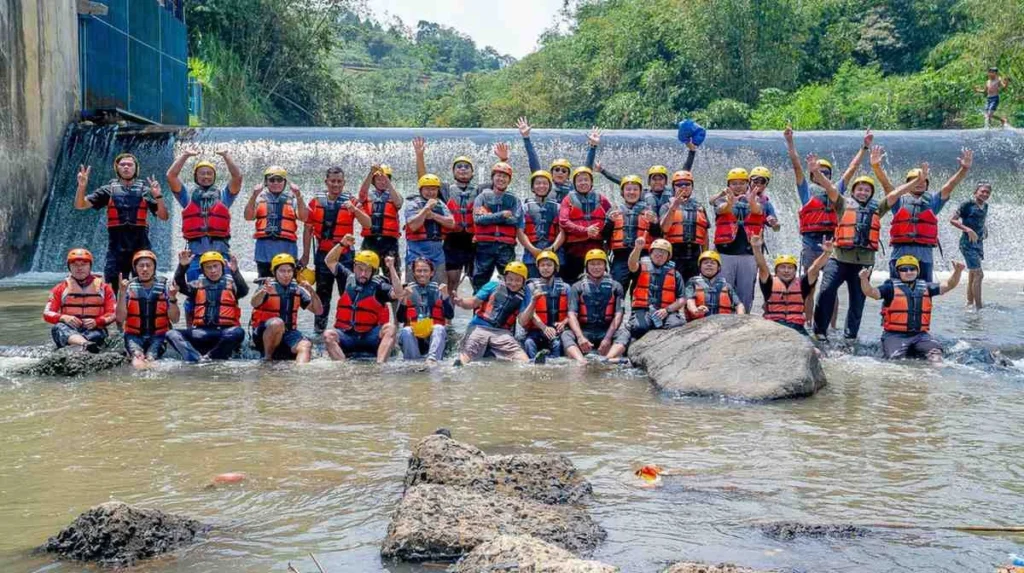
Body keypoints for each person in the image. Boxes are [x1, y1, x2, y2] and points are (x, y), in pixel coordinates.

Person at [808, 161, 896, 341]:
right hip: (839, 259)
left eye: (867, 190)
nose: (863, 192)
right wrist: (817, 173)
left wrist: (878, 167)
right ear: (853, 191)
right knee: (826, 292)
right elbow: (830, 187)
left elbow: (894, 194)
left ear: (871, 193)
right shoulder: (842, 203)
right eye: (859, 189)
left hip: (863, 264)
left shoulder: (877, 208)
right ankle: (820, 331)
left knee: (857, 301)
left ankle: (850, 336)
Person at [871, 148, 972, 282]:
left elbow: (949, 186)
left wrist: (964, 169)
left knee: (924, 292)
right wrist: (876, 166)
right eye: (915, 181)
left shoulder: (932, 203)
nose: (919, 183)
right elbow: (885, 184)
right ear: (908, 184)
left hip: (924, 253)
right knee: (897, 292)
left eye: (922, 181)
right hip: (901, 251)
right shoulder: (898, 200)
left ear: (927, 184)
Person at [73, 153, 169, 294]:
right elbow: (80, 205)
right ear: (117, 168)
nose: (126, 167)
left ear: (135, 169)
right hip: (116, 250)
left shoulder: (146, 191)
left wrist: (159, 197)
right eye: (122, 165)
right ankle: (113, 315)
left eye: (129, 165)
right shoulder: (108, 190)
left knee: (144, 291)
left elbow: (164, 216)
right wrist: (82, 186)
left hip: (141, 249)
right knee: (111, 291)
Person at [413, 137, 488, 296]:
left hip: (474, 241)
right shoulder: (445, 189)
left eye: (466, 167)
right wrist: (419, 156)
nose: (462, 169)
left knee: (478, 282)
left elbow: (500, 181)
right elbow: (423, 180)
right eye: (459, 167)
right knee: (451, 281)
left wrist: (503, 159)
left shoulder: (481, 190)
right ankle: (449, 318)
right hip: (452, 241)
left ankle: (478, 317)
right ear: (453, 172)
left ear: (473, 172)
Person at [301, 166, 370, 332]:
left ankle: (347, 328)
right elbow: (307, 229)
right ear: (326, 182)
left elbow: (368, 224)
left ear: (344, 182)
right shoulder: (315, 201)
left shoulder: (351, 201)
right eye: (332, 181)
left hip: (345, 256)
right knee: (323, 295)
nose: (336, 184)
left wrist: (354, 210)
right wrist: (304, 255)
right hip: (323, 255)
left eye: (339, 181)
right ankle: (319, 331)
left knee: (347, 293)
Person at [860, 256, 964, 362]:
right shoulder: (889, 288)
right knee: (895, 361)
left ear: (917, 271)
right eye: (904, 269)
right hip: (895, 335)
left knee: (936, 357)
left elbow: (949, 285)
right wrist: (864, 279)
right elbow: (871, 292)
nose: (909, 272)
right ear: (898, 272)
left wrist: (958, 271)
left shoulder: (926, 287)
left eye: (912, 269)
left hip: (920, 335)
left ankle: (934, 376)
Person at [165, 146, 243, 281]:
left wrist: (226, 156)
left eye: (209, 173)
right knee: (195, 295)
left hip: (220, 255)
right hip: (195, 256)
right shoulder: (187, 197)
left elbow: (237, 177)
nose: (206, 176)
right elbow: (171, 176)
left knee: (223, 294)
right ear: (196, 176)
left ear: (214, 176)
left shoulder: (224, 196)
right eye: (202, 173)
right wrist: (185, 155)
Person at [322, 248, 404, 363]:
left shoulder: (380, 286)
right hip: (347, 336)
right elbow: (329, 260)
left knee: (390, 328)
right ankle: (343, 367)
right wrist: (342, 244)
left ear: (373, 272)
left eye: (367, 270)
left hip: (370, 336)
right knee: (328, 334)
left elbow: (399, 294)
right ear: (354, 267)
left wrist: (391, 267)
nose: (363, 274)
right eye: (360, 269)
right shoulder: (347, 278)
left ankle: (380, 365)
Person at [597, 143, 697, 237]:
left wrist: (692, 152)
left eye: (661, 179)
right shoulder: (642, 194)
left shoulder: (673, 192)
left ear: (666, 181)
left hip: (668, 230)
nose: (657, 182)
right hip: (652, 231)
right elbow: (622, 181)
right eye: (654, 179)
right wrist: (603, 171)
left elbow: (684, 174)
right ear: (649, 182)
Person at [166, 250, 248, 362]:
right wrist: (182, 267)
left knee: (238, 332)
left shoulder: (232, 285)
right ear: (203, 270)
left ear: (223, 267)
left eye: (216, 266)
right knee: (171, 333)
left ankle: (209, 357)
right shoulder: (196, 286)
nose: (213, 270)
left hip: (225, 332)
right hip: (200, 333)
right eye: (208, 267)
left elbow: (244, 291)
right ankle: (194, 357)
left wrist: (235, 271)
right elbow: (179, 284)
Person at [452, 261, 538, 365]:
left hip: (502, 332)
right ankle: (460, 363)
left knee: (517, 353)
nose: (513, 283)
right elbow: (473, 302)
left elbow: (522, 321)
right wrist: (461, 302)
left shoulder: (525, 295)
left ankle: (530, 364)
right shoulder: (493, 285)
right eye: (510, 279)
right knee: (469, 349)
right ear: (505, 277)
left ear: (523, 281)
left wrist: (533, 302)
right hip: (479, 327)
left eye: (518, 280)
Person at [612, 237, 686, 351]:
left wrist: (667, 310)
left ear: (668, 256)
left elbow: (682, 300)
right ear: (651, 253)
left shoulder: (675, 274)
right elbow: (632, 265)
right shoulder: (641, 267)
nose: (660, 255)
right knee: (639, 327)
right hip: (643, 310)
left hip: (665, 312)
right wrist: (637, 249)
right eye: (657, 252)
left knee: (676, 325)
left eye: (663, 253)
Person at [751, 234, 830, 335]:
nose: (786, 271)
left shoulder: (802, 283)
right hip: (773, 326)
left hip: (796, 327)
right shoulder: (769, 283)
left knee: (816, 351)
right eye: (782, 267)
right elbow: (762, 266)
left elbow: (815, 268)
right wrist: (756, 248)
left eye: (790, 268)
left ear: (795, 270)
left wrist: (826, 253)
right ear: (776, 270)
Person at [249, 253, 321, 363]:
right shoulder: (266, 287)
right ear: (274, 272)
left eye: (289, 271)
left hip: (288, 333)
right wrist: (262, 292)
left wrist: (312, 292)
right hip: (265, 333)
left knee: (306, 345)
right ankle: (267, 359)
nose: (286, 275)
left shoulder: (298, 290)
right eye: (282, 271)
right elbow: (254, 303)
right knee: (277, 323)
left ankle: (300, 372)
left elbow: (318, 311)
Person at [43, 248, 116, 352]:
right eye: (75, 265)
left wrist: (97, 321)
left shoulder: (104, 288)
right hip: (69, 330)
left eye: (83, 264)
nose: (79, 268)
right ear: (69, 267)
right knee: (58, 328)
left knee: (98, 334)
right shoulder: (60, 288)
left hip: (93, 329)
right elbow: (47, 313)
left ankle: (82, 345)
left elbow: (113, 313)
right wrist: (63, 317)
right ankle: (84, 344)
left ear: (90, 266)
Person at [562, 250, 628, 365]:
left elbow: (619, 314)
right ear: (586, 266)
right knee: (565, 334)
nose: (596, 267)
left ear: (605, 265)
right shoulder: (577, 287)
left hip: (606, 330)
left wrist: (607, 338)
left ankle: (607, 358)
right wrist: (580, 337)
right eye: (592, 264)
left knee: (625, 333)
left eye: (599, 264)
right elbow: (572, 315)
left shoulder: (616, 286)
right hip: (585, 330)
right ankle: (581, 360)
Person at [116, 250, 179, 369]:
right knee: (137, 359)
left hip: (159, 335)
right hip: (134, 335)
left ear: (154, 268)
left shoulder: (165, 287)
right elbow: (120, 318)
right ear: (135, 268)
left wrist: (172, 297)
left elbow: (175, 319)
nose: (145, 269)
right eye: (141, 266)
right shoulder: (128, 287)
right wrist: (122, 294)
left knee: (151, 358)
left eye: (148, 265)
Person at [712, 168, 765, 311]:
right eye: (734, 183)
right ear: (728, 185)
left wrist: (751, 200)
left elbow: (757, 211)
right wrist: (730, 202)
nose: (738, 186)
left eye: (741, 183)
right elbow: (722, 209)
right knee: (724, 291)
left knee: (746, 293)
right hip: (726, 254)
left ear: (747, 184)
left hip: (747, 254)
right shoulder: (721, 200)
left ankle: (745, 320)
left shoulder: (756, 199)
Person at [244, 166, 309, 278]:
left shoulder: (293, 199)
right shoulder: (259, 199)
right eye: (272, 180)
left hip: (287, 250)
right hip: (264, 252)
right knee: (265, 285)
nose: (275, 183)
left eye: (279, 180)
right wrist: (253, 195)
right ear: (266, 182)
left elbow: (304, 217)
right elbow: (248, 217)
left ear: (285, 182)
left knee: (287, 286)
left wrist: (299, 196)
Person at [516, 117, 599, 203]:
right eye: (557, 169)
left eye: (564, 171)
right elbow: (534, 165)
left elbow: (586, 171)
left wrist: (593, 146)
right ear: (551, 173)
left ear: (568, 176)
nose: (560, 172)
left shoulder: (574, 187)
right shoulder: (545, 185)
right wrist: (526, 138)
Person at [471, 162, 524, 291]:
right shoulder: (482, 197)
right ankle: (478, 310)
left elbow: (515, 220)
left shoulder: (514, 199)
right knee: (479, 282)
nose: (501, 179)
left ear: (509, 180)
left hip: (506, 247)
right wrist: (501, 215)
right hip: (484, 246)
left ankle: (509, 310)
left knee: (511, 282)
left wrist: (490, 217)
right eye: (498, 175)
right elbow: (478, 219)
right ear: (493, 177)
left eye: (505, 177)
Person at [558, 167, 612, 282]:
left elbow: (612, 215)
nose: (583, 183)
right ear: (574, 183)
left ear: (591, 182)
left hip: (596, 248)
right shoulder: (568, 199)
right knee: (571, 282)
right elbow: (563, 221)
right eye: (579, 180)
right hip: (574, 250)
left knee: (600, 282)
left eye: (586, 180)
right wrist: (585, 230)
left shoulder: (601, 199)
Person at [397, 257, 454, 366]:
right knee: (406, 331)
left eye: (425, 271)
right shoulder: (408, 289)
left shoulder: (439, 289)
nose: (422, 274)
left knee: (439, 328)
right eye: (419, 271)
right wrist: (404, 299)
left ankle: (432, 360)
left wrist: (445, 296)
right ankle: (412, 363)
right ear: (413, 272)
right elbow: (400, 319)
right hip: (415, 338)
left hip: (433, 338)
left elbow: (449, 315)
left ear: (432, 273)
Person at [603, 175, 655, 294]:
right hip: (620, 257)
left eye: (635, 189)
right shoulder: (614, 210)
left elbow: (657, 234)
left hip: (643, 256)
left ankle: (638, 312)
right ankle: (618, 311)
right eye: (628, 189)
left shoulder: (649, 211)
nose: (632, 192)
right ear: (622, 192)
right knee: (617, 290)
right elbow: (605, 235)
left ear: (640, 192)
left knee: (642, 291)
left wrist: (654, 222)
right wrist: (610, 222)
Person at [659, 170, 710, 283]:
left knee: (692, 290)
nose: (683, 187)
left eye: (687, 184)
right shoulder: (666, 206)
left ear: (692, 187)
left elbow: (705, 234)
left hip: (694, 254)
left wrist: (705, 256)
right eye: (679, 184)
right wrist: (673, 208)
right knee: (672, 288)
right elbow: (664, 228)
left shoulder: (700, 207)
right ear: (673, 188)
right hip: (674, 254)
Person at [403, 173, 455, 283]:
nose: (430, 192)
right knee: (413, 286)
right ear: (421, 189)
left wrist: (433, 215)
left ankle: (438, 300)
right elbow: (413, 225)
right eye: (427, 189)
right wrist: (426, 209)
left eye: (433, 189)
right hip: (416, 250)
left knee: (439, 286)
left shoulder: (440, 204)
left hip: (436, 250)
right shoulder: (412, 203)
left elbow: (451, 223)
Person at [520, 250, 570, 361]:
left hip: (556, 330)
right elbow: (530, 313)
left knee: (557, 345)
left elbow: (572, 312)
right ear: (538, 267)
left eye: (549, 265)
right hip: (536, 330)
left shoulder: (566, 287)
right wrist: (544, 328)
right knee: (529, 343)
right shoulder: (530, 287)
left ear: (555, 267)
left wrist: (563, 323)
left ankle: (552, 363)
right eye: (542, 265)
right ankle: (535, 362)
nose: (545, 268)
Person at [950, 182, 991, 309]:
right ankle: (979, 308)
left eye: (987, 192)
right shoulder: (967, 205)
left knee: (973, 274)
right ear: (975, 192)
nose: (985, 194)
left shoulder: (985, 206)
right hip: (967, 243)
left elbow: (980, 220)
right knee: (979, 274)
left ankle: (969, 303)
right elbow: (953, 220)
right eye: (982, 191)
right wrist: (967, 229)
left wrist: (984, 229)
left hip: (978, 244)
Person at [519, 170, 565, 278]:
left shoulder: (558, 207)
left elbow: (563, 231)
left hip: (555, 253)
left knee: (557, 286)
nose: (541, 186)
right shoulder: (524, 207)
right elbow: (520, 232)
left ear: (550, 186)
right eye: (538, 183)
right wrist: (532, 249)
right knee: (533, 285)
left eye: (545, 183)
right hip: (531, 255)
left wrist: (553, 248)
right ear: (532, 187)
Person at [357, 164, 404, 272]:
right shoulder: (367, 195)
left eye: (385, 180)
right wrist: (370, 173)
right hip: (370, 240)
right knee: (369, 272)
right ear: (373, 182)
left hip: (389, 241)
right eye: (378, 180)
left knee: (392, 273)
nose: (382, 182)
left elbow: (398, 203)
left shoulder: (394, 195)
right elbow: (361, 195)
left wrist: (388, 182)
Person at [685, 250, 746, 319]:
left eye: (713, 263)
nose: (709, 265)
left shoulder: (726, 285)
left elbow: (738, 304)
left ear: (718, 268)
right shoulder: (693, 282)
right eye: (705, 263)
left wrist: (740, 317)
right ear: (700, 267)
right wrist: (695, 310)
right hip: (698, 322)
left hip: (721, 323)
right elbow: (689, 301)